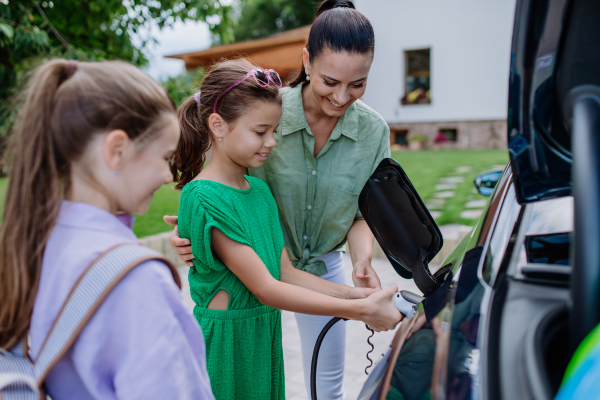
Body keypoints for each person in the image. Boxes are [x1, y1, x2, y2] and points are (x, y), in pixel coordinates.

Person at [165, 1, 390, 398]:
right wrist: (192, 234)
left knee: (326, 388)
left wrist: (361, 277)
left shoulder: (371, 133)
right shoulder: (265, 107)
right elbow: (212, 184)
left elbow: (357, 216)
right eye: (330, 81)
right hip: (238, 321)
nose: (341, 96)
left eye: (357, 84)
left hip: (301, 280)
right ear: (306, 62)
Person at [0, 59, 214, 399]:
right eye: (164, 157)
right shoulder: (135, 280)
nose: (167, 176)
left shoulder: (39, 242)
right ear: (117, 151)